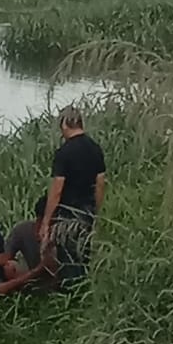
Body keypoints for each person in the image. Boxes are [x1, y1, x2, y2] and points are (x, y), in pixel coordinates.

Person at [39, 105, 105, 274]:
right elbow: (100, 184)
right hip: (88, 212)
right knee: (84, 256)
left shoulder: (64, 153)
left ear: (64, 124)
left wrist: (46, 222)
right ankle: (82, 290)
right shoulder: (95, 148)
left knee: (68, 258)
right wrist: (97, 212)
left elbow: (56, 191)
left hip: (68, 215)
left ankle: (68, 293)